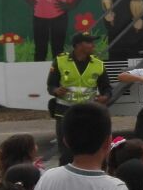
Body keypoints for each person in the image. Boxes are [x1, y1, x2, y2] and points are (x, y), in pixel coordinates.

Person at [47, 32, 111, 165]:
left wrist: (105, 97)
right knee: (66, 152)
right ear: (78, 45)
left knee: (92, 148)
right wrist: (56, 90)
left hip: (90, 113)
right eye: (89, 42)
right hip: (65, 112)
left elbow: (107, 87)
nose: (93, 45)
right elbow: (50, 85)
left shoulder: (98, 64)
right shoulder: (60, 61)